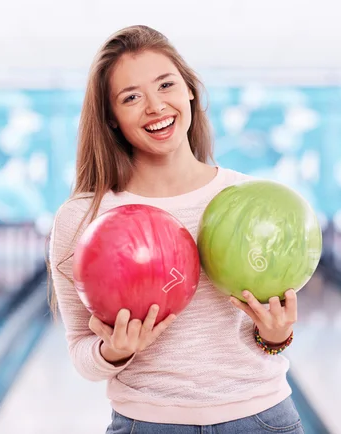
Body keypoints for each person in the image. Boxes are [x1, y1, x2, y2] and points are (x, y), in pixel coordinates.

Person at [48, 25, 304, 434]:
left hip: (262, 420)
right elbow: (82, 352)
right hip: (147, 425)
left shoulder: (246, 200)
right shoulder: (84, 217)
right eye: (131, 97)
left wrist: (276, 335)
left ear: (189, 90)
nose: (154, 106)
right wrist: (113, 352)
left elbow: (265, 337)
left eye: (165, 85)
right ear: (111, 119)